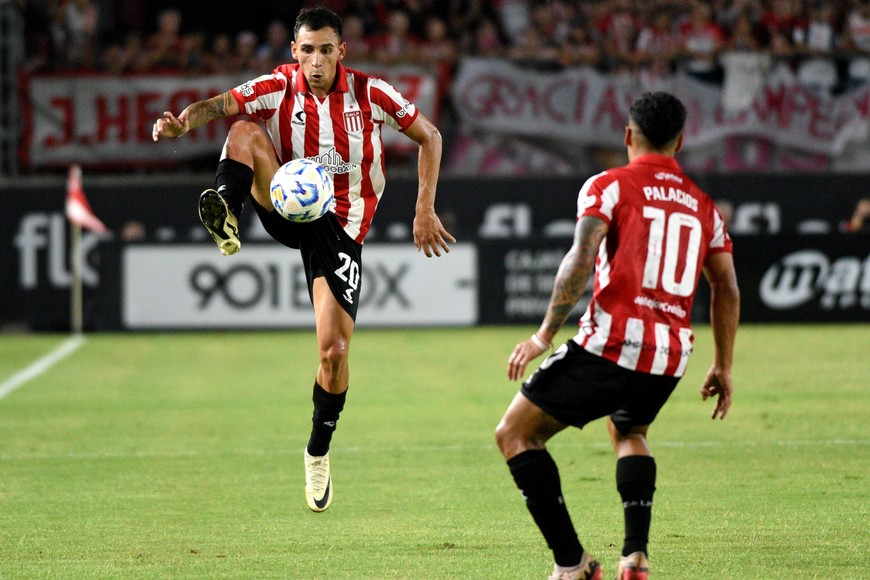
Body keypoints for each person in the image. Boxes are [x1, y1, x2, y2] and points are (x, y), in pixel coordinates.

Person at [151, 6, 455, 513]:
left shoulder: (371, 93)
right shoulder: (279, 85)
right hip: (287, 205)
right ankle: (227, 211)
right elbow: (220, 105)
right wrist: (184, 122)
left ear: (342, 52)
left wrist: (424, 209)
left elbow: (431, 135)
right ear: (294, 51)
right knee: (245, 131)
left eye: (326, 50)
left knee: (334, 353)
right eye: (307, 50)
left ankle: (317, 451)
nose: (316, 61)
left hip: (340, 230)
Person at [495, 92, 739, 580]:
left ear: (628, 135)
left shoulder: (608, 185)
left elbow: (581, 258)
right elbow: (727, 288)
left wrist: (544, 335)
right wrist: (723, 365)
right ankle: (636, 558)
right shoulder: (704, 207)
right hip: (670, 356)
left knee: (516, 434)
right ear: (680, 142)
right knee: (630, 431)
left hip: (612, 345)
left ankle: (573, 564)